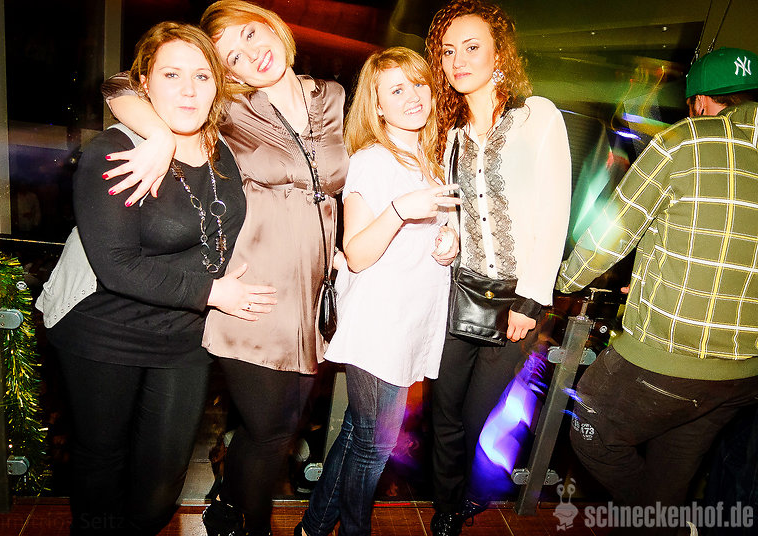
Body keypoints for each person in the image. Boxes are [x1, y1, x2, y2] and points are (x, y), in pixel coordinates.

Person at [101, 2, 349, 534]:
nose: (251, 55)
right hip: (252, 291)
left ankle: (227, 501)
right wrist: (159, 136)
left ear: (272, 24)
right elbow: (120, 86)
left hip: (318, 293)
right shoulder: (228, 108)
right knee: (269, 432)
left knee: (283, 427)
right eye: (231, 57)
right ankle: (249, 524)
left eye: (251, 34)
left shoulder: (333, 97)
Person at [40, 22, 277, 536]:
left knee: (161, 480)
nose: (189, 89)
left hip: (184, 334)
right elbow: (117, 265)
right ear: (144, 83)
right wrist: (215, 291)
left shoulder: (223, 148)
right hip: (104, 330)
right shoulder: (116, 150)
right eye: (172, 75)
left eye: (202, 76)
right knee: (101, 459)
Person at [556, 47, 758, 535]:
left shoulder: (687, 141)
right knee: (672, 467)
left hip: (668, 358)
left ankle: (667, 521)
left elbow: (614, 231)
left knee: (590, 427)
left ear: (700, 102)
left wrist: (560, 283)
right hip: (743, 374)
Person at [297, 47, 461, 536]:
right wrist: (400, 210)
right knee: (375, 446)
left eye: (419, 84)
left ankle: (313, 526)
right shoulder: (372, 161)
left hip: (408, 321)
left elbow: (423, 243)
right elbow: (358, 252)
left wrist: (447, 243)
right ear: (377, 105)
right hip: (379, 325)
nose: (413, 96)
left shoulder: (430, 160)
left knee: (358, 434)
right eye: (397, 89)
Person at [424, 1, 572, 534]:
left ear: (498, 54)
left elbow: (555, 212)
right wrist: (446, 234)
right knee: (443, 411)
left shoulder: (537, 118)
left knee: (474, 414)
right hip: (459, 291)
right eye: (448, 51)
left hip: (514, 299)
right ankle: (446, 507)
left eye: (472, 47)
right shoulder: (449, 133)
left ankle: (466, 491)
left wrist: (530, 300)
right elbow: (452, 211)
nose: (458, 61)